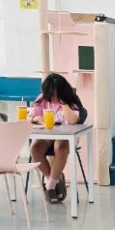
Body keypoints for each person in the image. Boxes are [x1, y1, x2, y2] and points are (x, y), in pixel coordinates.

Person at [28, 72, 84, 203]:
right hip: (48, 135)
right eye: (50, 95)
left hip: (67, 137)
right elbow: (28, 117)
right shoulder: (42, 99)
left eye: (55, 94)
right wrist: (36, 118)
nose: (53, 98)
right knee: (35, 149)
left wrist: (63, 102)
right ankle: (54, 180)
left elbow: (73, 120)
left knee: (60, 147)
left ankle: (50, 187)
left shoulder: (70, 100)